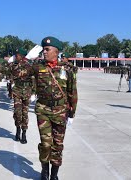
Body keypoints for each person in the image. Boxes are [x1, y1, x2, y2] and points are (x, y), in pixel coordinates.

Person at [30, 36, 78, 180]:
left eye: (47, 49)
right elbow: (16, 73)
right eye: (43, 49)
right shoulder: (38, 67)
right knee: (45, 144)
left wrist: (72, 114)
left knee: (57, 144)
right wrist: (28, 58)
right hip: (43, 110)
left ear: (56, 52)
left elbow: (73, 92)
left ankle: (54, 175)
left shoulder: (67, 69)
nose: (44, 52)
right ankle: (44, 172)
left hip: (61, 111)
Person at [11, 48, 33, 144]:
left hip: (27, 91)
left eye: (18, 55)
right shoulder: (13, 65)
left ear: (22, 56)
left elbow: (33, 79)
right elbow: (11, 75)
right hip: (17, 91)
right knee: (17, 112)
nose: (16, 56)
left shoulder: (29, 66)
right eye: (16, 55)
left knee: (25, 113)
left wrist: (34, 92)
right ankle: (18, 129)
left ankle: (24, 133)